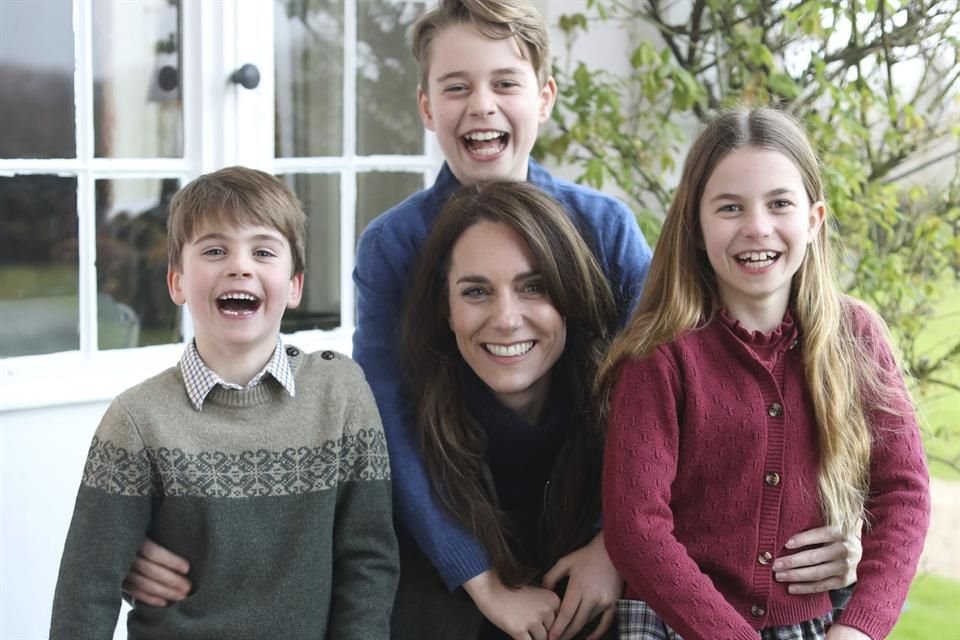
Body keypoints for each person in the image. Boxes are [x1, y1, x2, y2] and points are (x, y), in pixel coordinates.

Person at [119, 1, 864, 636]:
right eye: (456, 87)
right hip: (449, 535)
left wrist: (621, 545)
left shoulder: (603, 228)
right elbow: (384, 427)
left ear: (542, 97)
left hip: (591, 529)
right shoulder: (395, 246)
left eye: (504, 83)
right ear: (426, 107)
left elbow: (696, 388)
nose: (481, 105)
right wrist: (479, 579)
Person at [600, 108, 931, 640]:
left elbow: (903, 493)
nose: (757, 227)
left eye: (780, 204)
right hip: (677, 625)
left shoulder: (856, 336)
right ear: (695, 225)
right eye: (730, 207)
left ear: (814, 219)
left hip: (811, 627)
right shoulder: (660, 356)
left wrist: (859, 627)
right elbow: (636, 528)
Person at [49, 167, 399, 639]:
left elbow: (369, 564)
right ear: (176, 282)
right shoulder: (137, 419)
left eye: (263, 251)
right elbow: (85, 592)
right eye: (214, 250)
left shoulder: (340, 394)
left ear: (294, 285)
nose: (239, 266)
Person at [393, 180, 620, 640]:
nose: (506, 319)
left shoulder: (626, 429)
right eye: (476, 292)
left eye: (533, 287)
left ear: (569, 295)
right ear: (446, 309)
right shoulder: (404, 455)